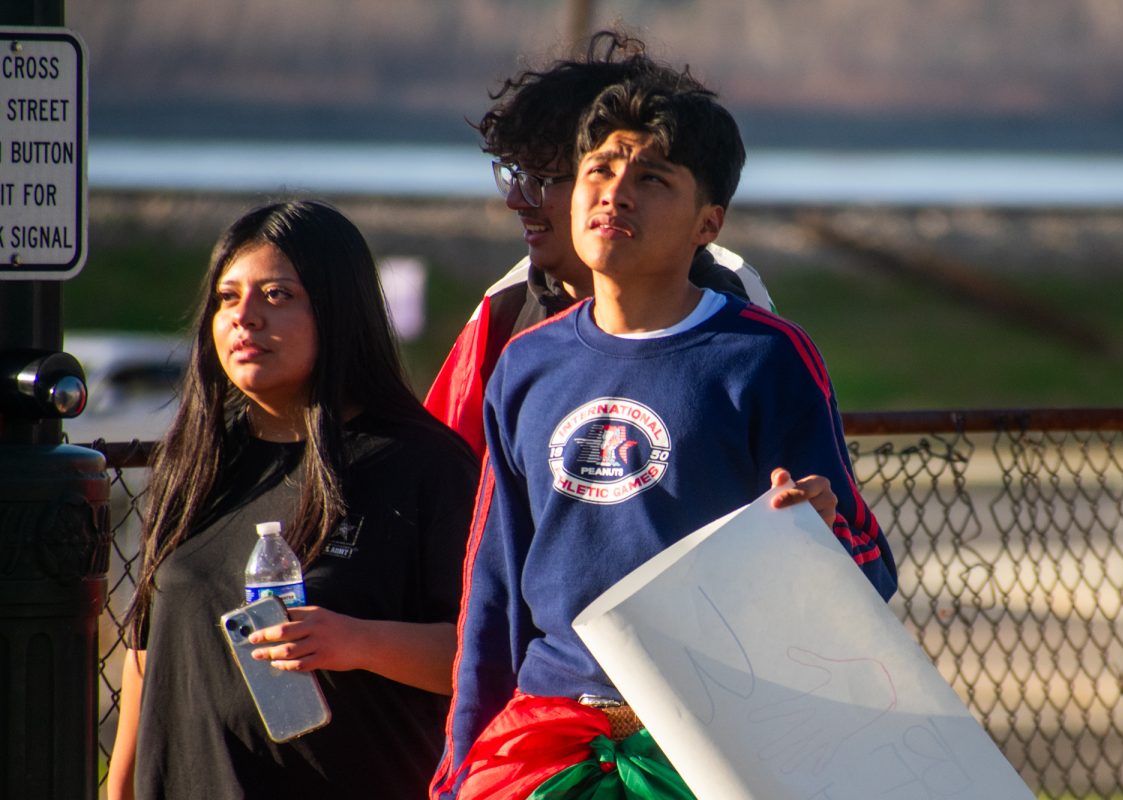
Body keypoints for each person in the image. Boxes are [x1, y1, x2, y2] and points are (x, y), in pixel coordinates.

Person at [431, 71, 898, 799]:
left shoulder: (763, 356)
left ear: (708, 223)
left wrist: (819, 534)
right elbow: (491, 593)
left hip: (709, 744)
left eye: (652, 178)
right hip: (544, 747)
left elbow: (872, 571)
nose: (615, 192)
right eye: (599, 170)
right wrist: (462, 766)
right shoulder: (525, 364)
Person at [106, 200, 479, 799]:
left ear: (339, 311)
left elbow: (479, 654)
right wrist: (117, 789)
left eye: (277, 296)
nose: (243, 319)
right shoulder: (197, 459)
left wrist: (354, 640)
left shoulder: (421, 464)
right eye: (228, 298)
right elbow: (148, 657)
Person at [424, 30, 775, 457]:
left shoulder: (744, 318)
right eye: (515, 176)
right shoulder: (506, 313)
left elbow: (808, 503)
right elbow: (450, 486)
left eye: (542, 181)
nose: (517, 200)